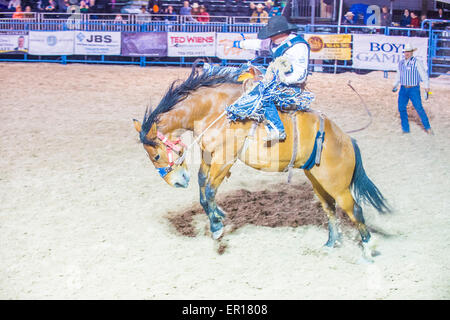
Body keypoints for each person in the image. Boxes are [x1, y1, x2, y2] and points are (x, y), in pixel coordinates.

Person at [224, 15, 312, 141]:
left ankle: (277, 129)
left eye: (271, 34)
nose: (269, 37)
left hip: (292, 87)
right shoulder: (275, 41)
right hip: (277, 80)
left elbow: (300, 76)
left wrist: (279, 79)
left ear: (280, 33)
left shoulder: (298, 47)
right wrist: (236, 44)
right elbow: (258, 44)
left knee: (263, 94)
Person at [392, 44, 432, 134]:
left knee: (418, 107)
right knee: (401, 107)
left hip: (414, 88)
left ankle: (428, 127)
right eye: (406, 52)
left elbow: (423, 74)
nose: (407, 53)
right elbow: (398, 75)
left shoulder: (417, 62)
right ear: (404, 53)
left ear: (412, 52)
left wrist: (426, 86)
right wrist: (395, 85)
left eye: (409, 52)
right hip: (403, 88)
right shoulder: (401, 63)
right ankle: (405, 129)